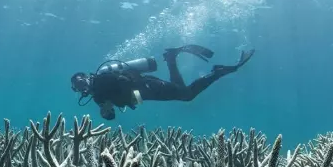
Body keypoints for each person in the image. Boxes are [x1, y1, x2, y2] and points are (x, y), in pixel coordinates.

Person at [70, 45, 255, 120]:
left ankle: (218, 72)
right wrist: (106, 111)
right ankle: (171, 57)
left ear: (86, 77)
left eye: (80, 82)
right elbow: (111, 117)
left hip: (148, 87)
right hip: (146, 94)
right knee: (183, 92)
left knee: (186, 95)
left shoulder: (102, 79)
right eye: (77, 87)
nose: (81, 87)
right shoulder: (97, 97)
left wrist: (121, 93)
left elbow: (124, 80)